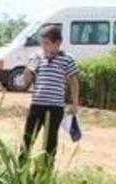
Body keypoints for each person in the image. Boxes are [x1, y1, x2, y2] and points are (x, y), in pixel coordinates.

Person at [20, 25, 80, 165]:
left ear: (57, 43)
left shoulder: (67, 59)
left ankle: (46, 170)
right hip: (37, 105)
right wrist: (29, 69)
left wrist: (75, 103)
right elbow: (26, 80)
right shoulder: (37, 57)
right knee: (28, 137)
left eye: (47, 43)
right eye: (42, 43)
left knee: (50, 140)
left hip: (55, 107)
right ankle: (21, 167)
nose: (43, 46)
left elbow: (74, 82)